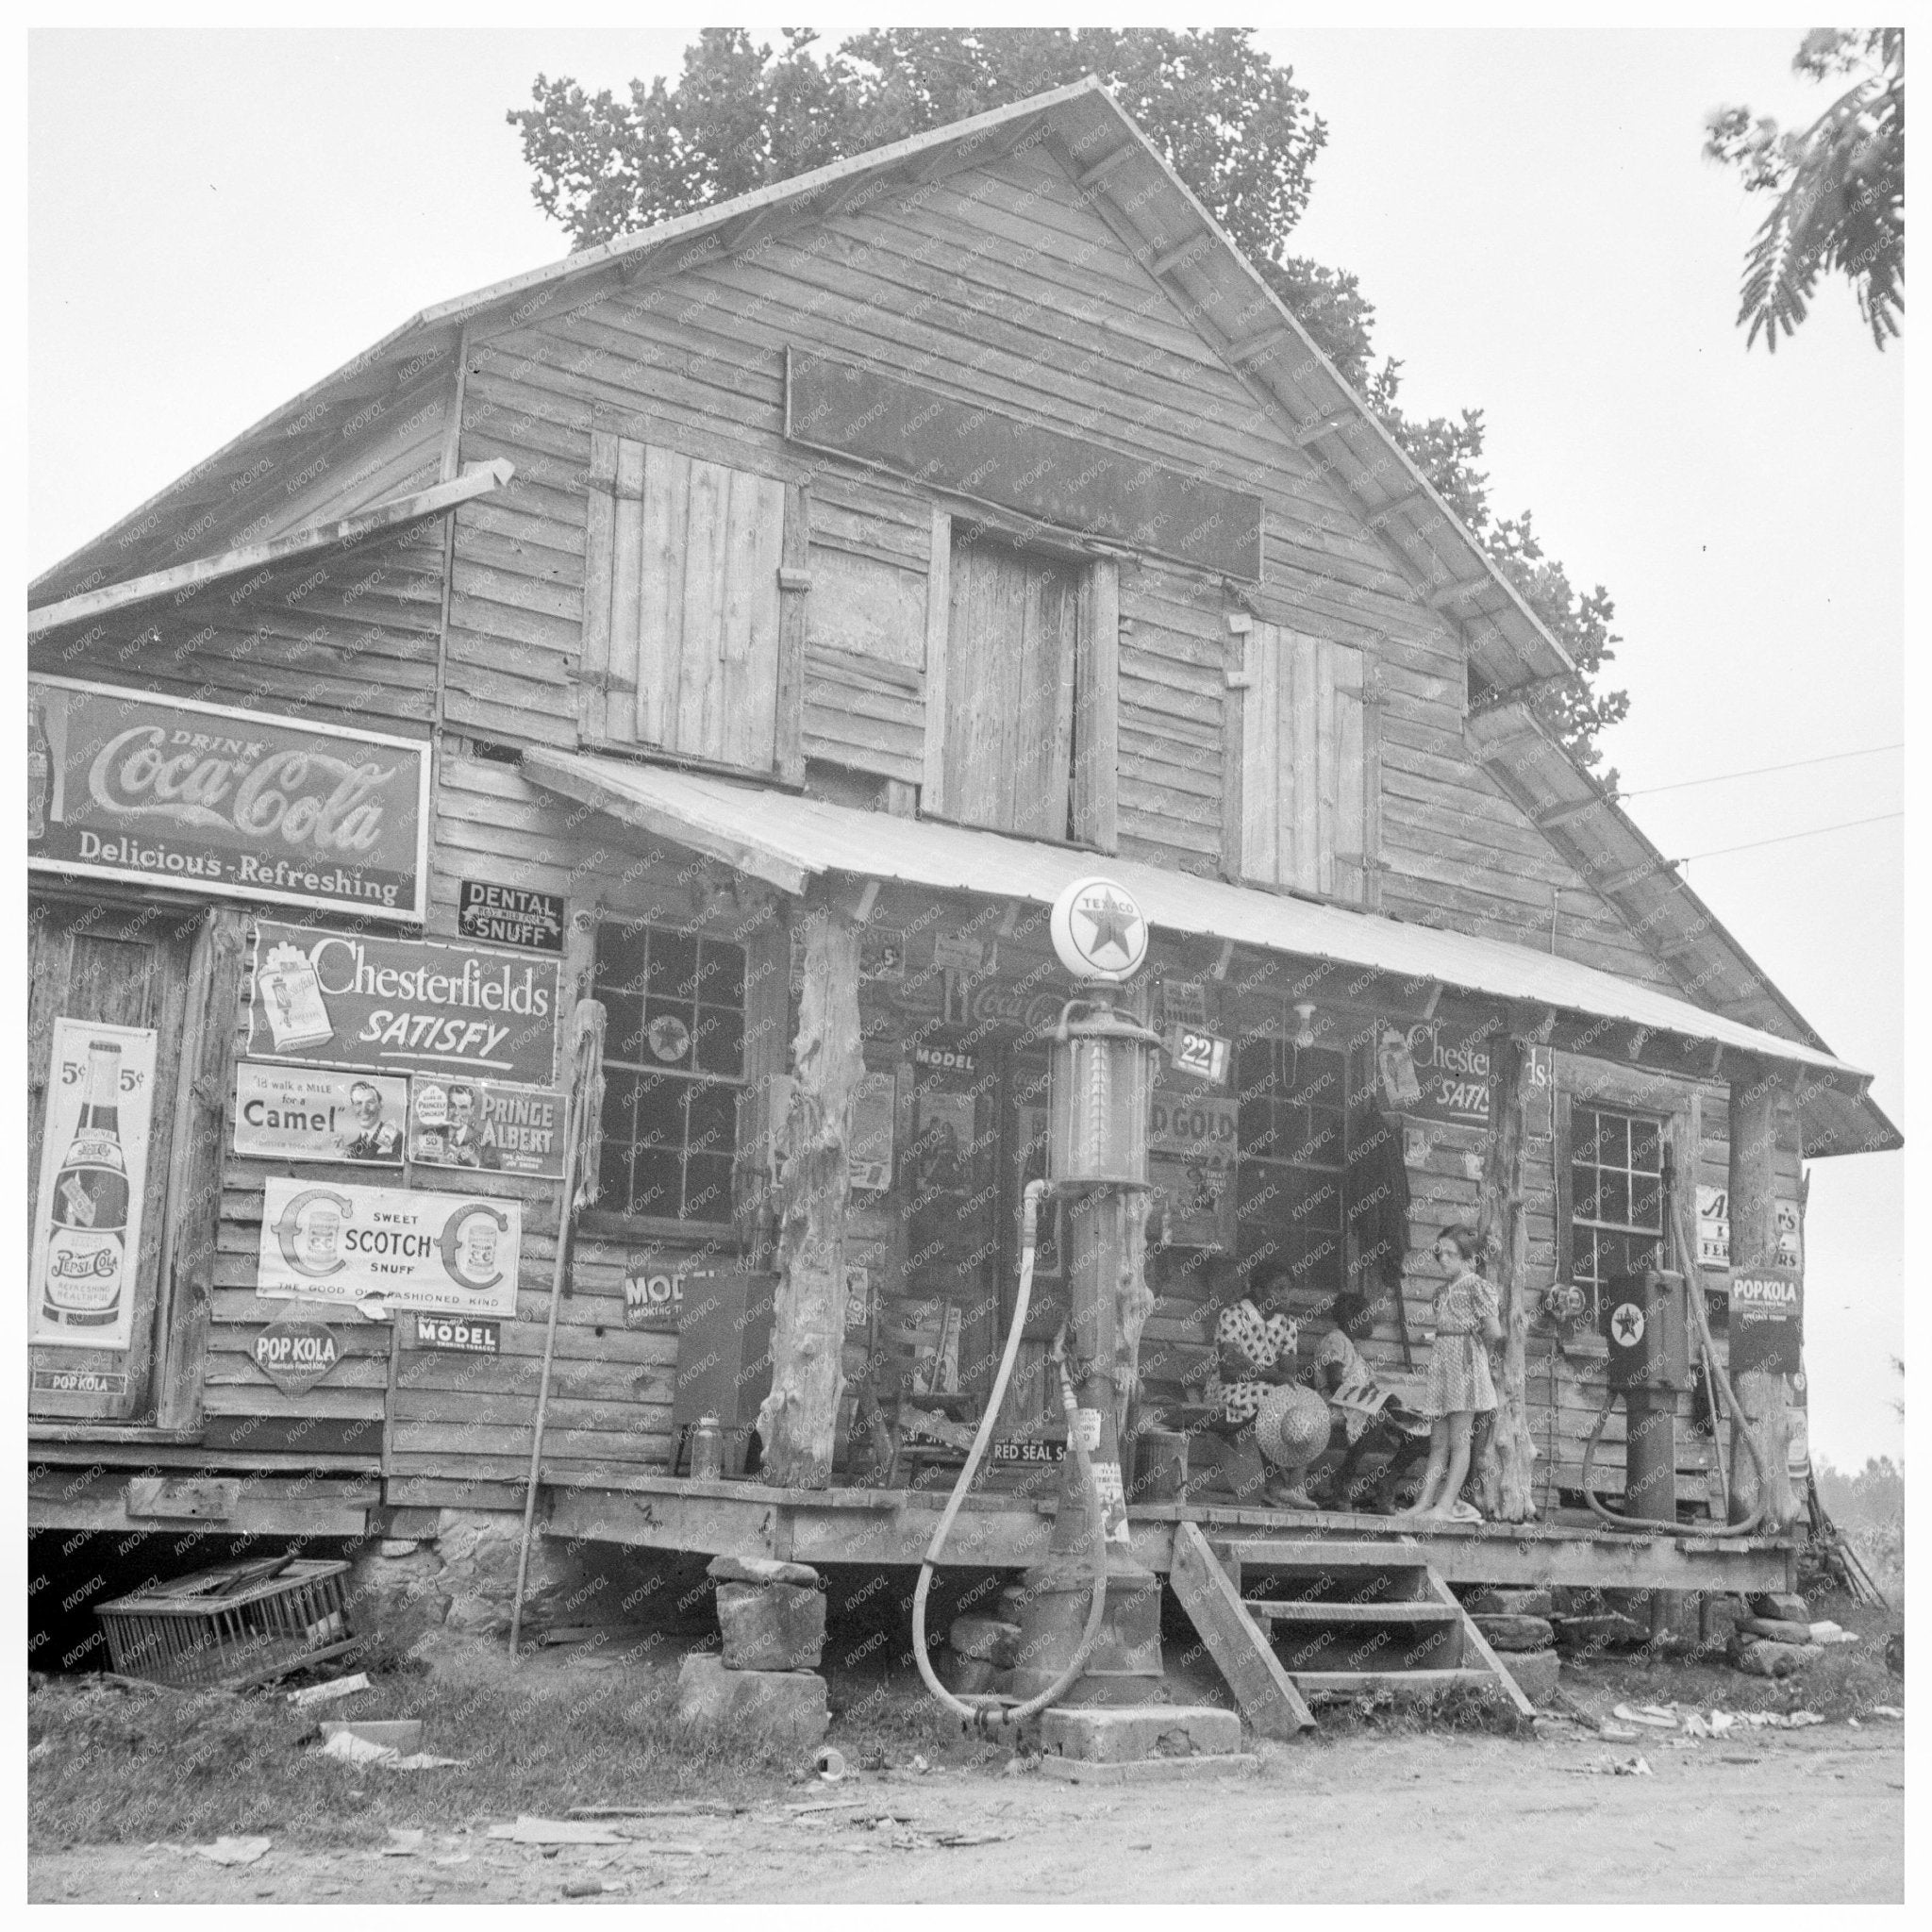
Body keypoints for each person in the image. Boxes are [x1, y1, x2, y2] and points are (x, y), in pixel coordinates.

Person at [1394, 1225, 1503, 1524]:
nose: (1443, 1260)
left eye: (1451, 1254)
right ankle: (1425, 1502)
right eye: (1439, 1253)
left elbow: (1493, 1330)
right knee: (1438, 1441)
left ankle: (1446, 1504)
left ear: (1468, 1258)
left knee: (1460, 1440)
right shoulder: (1443, 1291)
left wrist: (1475, 1352)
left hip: (1465, 1367)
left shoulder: (1475, 1285)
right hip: (1443, 1365)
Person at [1308, 1289, 1433, 1512]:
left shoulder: (1352, 1348)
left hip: (1359, 1406)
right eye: (1368, 1317)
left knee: (1421, 1428)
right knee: (1374, 1419)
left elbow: (1368, 1386)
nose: (1372, 1322)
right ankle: (1342, 1479)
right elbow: (1337, 1384)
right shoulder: (1335, 1341)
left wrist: (1391, 1401)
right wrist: (1377, 1400)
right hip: (1335, 1405)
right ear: (1353, 1319)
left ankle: (1387, 1480)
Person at [341, 1080, 402, 1162]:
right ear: (353, 1107)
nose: (364, 1109)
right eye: (358, 1103)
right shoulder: (350, 1149)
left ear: (381, 1104)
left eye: (370, 1102)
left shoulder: (397, 1138)